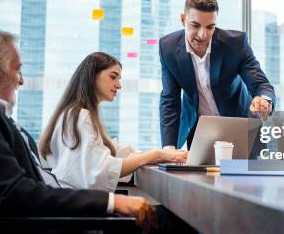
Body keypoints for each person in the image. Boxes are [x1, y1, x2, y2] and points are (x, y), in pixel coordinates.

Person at [0, 26, 154, 225]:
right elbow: (15, 193)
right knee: (167, 225)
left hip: (51, 216)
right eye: (17, 70)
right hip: (43, 231)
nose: (21, 80)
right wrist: (112, 202)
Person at [39, 52, 187, 191]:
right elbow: (100, 171)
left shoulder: (75, 114)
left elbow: (111, 152)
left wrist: (162, 154)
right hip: (80, 208)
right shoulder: (80, 117)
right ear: (92, 76)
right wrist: (154, 155)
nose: (119, 85)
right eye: (113, 77)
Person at [159, 0, 276, 149]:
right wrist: (169, 147)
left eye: (210, 27)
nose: (202, 35)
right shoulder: (168, 48)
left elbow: (260, 84)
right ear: (183, 20)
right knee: (196, 174)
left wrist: (264, 100)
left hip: (240, 128)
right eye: (195, 25)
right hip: (200, 133)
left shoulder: (235, 44)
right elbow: (170, 100)